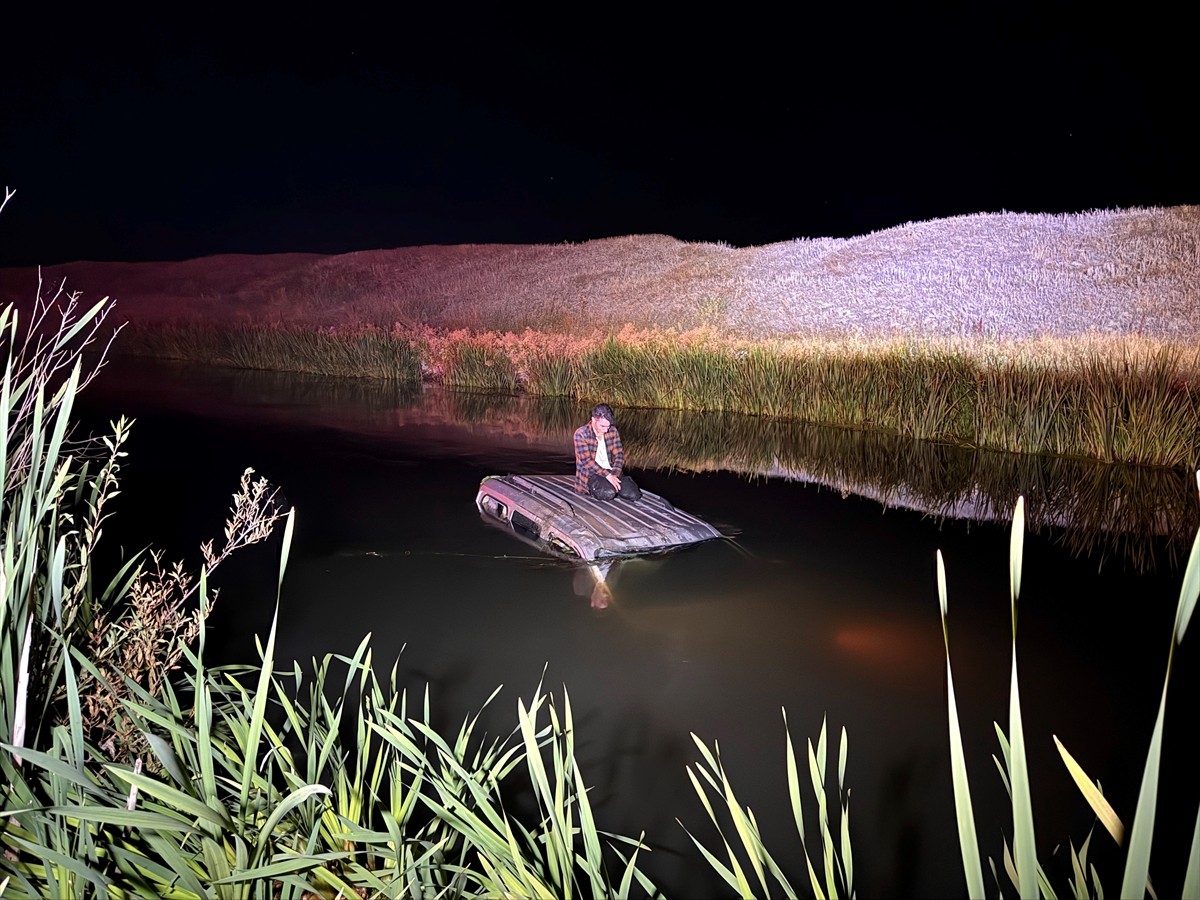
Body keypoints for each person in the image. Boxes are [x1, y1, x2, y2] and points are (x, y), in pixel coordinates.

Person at [573, 403, 641, 501]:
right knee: (608, 493)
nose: (606, 430)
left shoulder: (612, 431)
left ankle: (616, 484)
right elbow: (587, 462)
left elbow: (619, 454)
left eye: (608, 426)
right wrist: (607, 476)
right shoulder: (581, 434)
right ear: (593, 420)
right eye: (603, 426)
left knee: (633, 494)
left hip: (611, 471)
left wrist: (614, 474)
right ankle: (598, 488)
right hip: (591, 474)